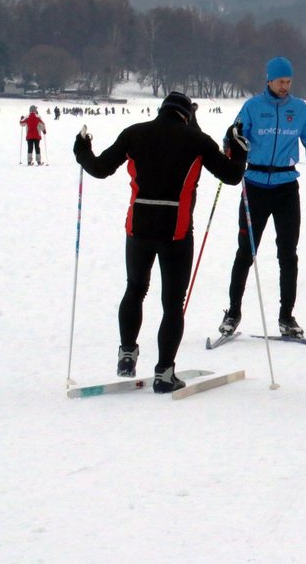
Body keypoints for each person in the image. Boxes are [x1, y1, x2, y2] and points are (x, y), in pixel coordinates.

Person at [73, 92, 247, 392]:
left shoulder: (135, 133)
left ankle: (127, 353)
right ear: (186, 114)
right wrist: (238, 149)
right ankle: (165, 372)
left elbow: (100, 169)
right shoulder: (197, 140)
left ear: (161, 110)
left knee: (135, 289)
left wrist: (82, 150)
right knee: (172, 303)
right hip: (175, 231)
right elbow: (232, 176)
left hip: (138, 226)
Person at [219, 57, 306, 339]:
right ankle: (233, 312)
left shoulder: (299, 109)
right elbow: (232, 142)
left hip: (287, 186)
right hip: (255, 184)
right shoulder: (252, 106)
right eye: (280, 81)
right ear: (269, 80)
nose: (285, 86)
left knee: (288, 253)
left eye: (288, 81)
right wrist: (231, 137)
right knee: (245, 252)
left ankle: (287, 316)